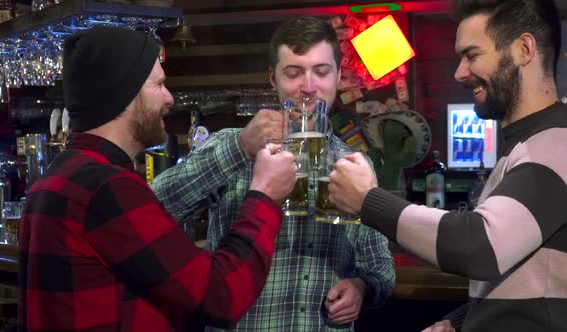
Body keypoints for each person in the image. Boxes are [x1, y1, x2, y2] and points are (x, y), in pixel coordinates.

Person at [18, 26, 298, 332]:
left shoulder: (55, 178)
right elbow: (222, 295)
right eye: (159, 85)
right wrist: (264, 195)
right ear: (123, 95)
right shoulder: (108, 189)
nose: (169, 98)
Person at [327, 0, 566, 331]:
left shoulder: (558, 141)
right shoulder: (529, 145)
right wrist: (459, 322)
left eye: (472, 55)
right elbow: (526, 277)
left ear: (524, 49)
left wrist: (368, 200)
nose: (459, 72)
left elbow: (481, 246)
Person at [151, 16, 395, 331]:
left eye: (321, 72)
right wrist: (240, 146)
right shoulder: (233, 144)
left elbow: (381, 267)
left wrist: (363, 288)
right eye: (293, 73)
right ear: (273, 78)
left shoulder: (355, 163)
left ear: (337, 77)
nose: (308, 87)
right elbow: (154, 209)